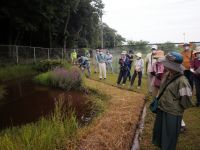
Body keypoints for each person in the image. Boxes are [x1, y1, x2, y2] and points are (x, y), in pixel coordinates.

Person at [152, 52, 193, 150]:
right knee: (161, 133)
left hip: (172, 113)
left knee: (169, 136)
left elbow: (186, 100)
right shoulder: (167, 75)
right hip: (162, 108)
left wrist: (175, 105)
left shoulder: (182, 81)